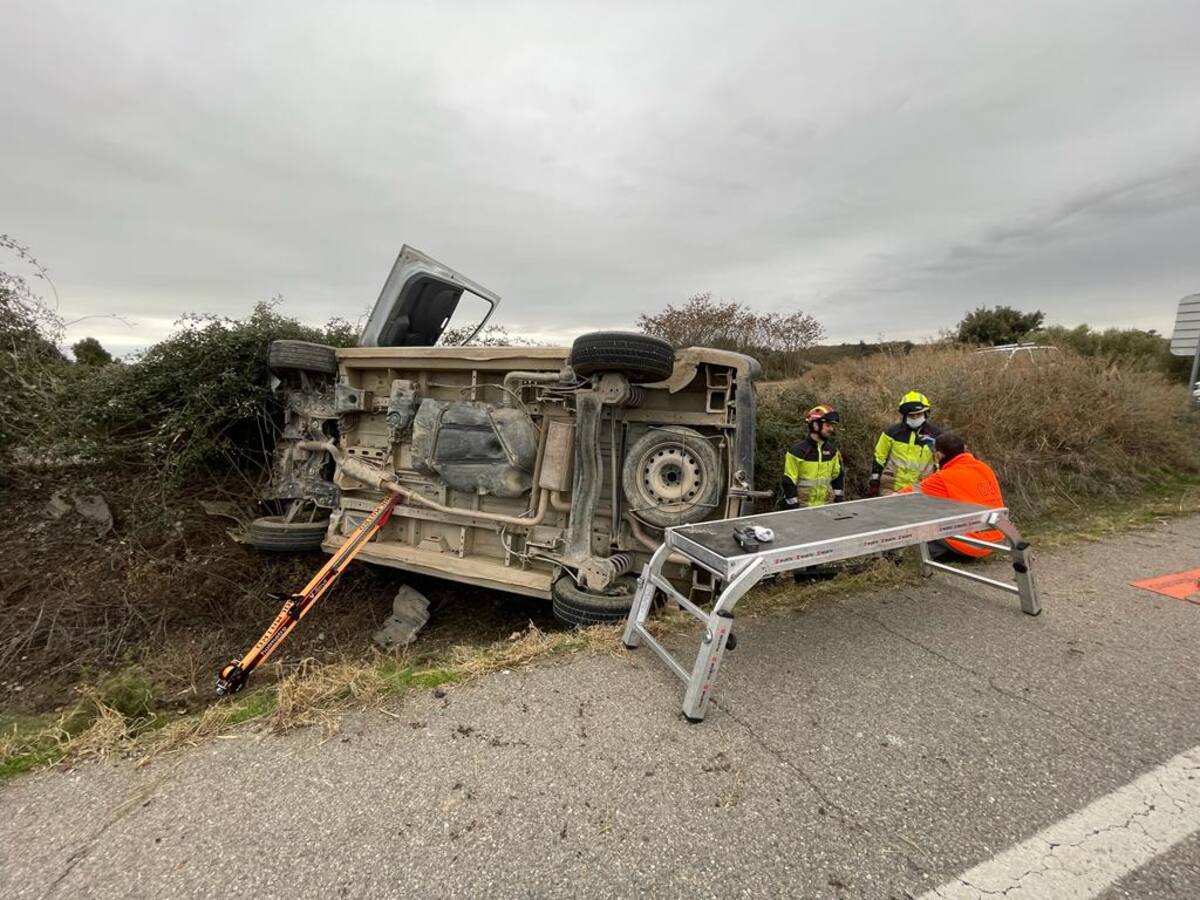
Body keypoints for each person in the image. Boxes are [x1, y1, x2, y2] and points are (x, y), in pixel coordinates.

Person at [913, 432, 1005, 560]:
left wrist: (891, 493)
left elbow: (908, 494)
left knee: (923, 515)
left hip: (971, 543)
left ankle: (945, 554)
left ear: (939, 455)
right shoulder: (984, 468)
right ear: (964, 449)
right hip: (996, 537)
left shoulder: (943, 478)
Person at [867, 390, 940, 497]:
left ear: (926, 413)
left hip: (922, 489)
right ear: (905, 416)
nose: (915, 418)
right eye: (911, 415)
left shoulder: (936, 436)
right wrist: (874, 481)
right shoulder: (891, 433)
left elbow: (942, 463)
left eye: (918, 414)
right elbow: (879, 457)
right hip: (891, 488)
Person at [781, 405, 845, 509]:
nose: (831, 429)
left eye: (832, 426)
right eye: (828, 425)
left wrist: (838, 503)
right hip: (802, 509)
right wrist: (794, 509)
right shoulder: (797, 452)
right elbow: (788, 482)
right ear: (815, 425)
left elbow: (837, 478)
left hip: (827, 508)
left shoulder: (833, 452)